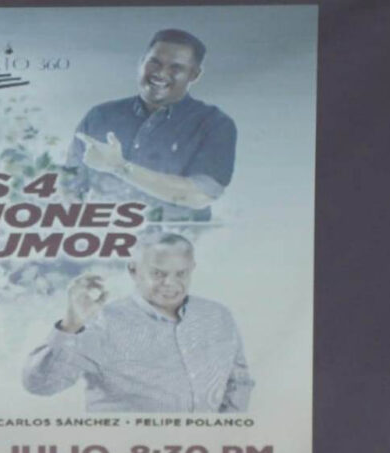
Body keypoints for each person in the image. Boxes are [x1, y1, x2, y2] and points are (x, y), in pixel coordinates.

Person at [22, 232, 252, 412]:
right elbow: (40, 385)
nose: (170, 283)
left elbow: (239, 381)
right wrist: (70, 325)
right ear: (134, 270)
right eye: (159, 274)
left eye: (181, 274)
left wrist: (223, 435)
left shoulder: (217, 315)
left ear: (192, 269)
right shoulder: (101, 322)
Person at [66, 29, 236, 221]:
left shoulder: (214, 124)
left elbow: (200, 196)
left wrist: (119, 167)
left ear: (194, 75)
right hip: (106, 244)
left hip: (176, 244)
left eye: (176, 68)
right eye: (154, 62)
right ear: (141, 62)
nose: (161, 73)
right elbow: (68, 189)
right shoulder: (100, 116)